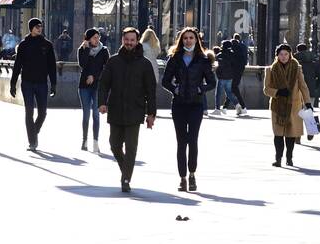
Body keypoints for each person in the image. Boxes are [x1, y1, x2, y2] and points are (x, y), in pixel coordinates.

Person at [97, 27, 156, 193]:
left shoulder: (145, 64)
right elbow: (104, 84)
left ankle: (126, 179)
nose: (129, 43)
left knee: (131, 147)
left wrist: (151, 114)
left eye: (132, 40)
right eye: (126, 40)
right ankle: (126, 170)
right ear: (122, 40)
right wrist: (102, 102)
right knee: (114, 145)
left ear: (137, 41)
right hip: (115, 109)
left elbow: (151, 91)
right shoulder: (113, 61)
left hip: (135, 111)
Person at [162, 27, 217, 192]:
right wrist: (175, 89)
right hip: (178, 105)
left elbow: (212, 82)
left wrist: (201, 88)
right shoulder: (175, 58)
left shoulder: (203, 59)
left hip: (196, 104)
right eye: (185, 38)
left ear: (196, 40)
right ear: (181, 40)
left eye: (191, 38)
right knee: (181, 142)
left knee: (192, 140)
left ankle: (192, 174)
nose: (188, 41)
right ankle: (182, 178)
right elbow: (165, 81)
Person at [10, 18, 57, 151]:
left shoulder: (47, 45)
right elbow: (17, 65)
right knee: (29, 111)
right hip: (27, 83)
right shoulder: (24, 45)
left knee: (42, 113)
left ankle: (33, 132)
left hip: (42, 83)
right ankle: (32, 141)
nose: (39, 28)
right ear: (31, 28)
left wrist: (54, 84)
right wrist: (13, 83)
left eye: (40, 26)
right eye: (37, 27)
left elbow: (52, 66)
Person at [264, 43, 309, 168]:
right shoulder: (270, 69)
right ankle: (278, 159)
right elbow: (266, 89)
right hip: (277, 106)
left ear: (290, 55)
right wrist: (277, 92)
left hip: (293, 106)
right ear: (277, 56)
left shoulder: (297, 68)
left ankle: (289, 157)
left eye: (286, 54)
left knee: (291, 134)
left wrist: (308, 102)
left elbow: (303, 86)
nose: (283, 57)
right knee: (278, 134)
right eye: (281, 54)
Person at [78, 28, 109, 152]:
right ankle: (85, 140)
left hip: (98, 86)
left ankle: (96, 142)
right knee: (86, 115)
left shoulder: (104, 51)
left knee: (96, 115)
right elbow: (83, 64)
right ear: (88, 39)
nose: (97, 39)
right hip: (84, 86)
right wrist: (86, 49)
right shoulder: (82, 50)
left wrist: (94, 76)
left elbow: (107, 69)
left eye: (98, 37)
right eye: (94, 37)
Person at [214, 41, 239, 115]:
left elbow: (219, 65)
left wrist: (218, 73)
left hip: (221, 77)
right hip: (230, 76)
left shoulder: (220, 55)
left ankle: (217, 109)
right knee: (229, 93)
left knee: (218, 93)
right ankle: (237, 105)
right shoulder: (233, 55)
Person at [295, 43, 320, 109]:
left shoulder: (295, 60)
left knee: (298, 111)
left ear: (298, 50)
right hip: (311, 88)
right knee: (309, 111)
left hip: (299, 89)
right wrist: (316, 86)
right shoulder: (314, 60)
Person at [229, 32, 249, 109]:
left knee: (233, 87)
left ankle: (241, 105)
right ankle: (227, 106)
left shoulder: (234, 47)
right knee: (233, 87)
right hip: (241, 68)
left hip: (234, 69)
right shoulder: (243, 46)